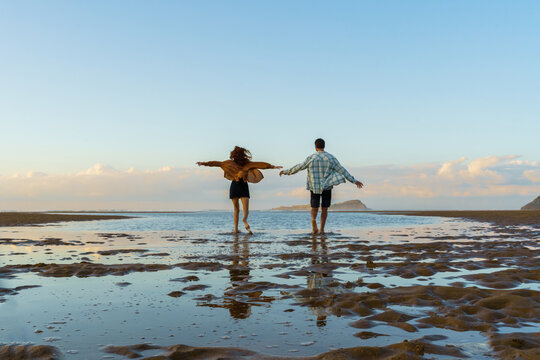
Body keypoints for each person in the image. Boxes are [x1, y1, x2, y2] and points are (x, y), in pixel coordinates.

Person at [280, 138, 363, 234]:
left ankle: (313, 220)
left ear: (315, 147)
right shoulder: (331, 158)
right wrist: (354, 181)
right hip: (327, 187)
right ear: (324, 146)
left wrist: (286, 172)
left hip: (314, 187)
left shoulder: (311, 158)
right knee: (324, 209)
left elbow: (299, 167)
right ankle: (322, 229)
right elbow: (342, 170)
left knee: (314, 207)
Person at [197, 146, 281, 234]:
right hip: (243, 186)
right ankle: (244, 220)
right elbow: (262, 164)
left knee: (236, 210)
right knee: (246, 209)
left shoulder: (229, 163)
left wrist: (203, 163)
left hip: (234, 186)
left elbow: (216, 163)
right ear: (244, 154)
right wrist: (273, 166)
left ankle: (236, 230)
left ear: (233, 155)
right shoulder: (247, 164)